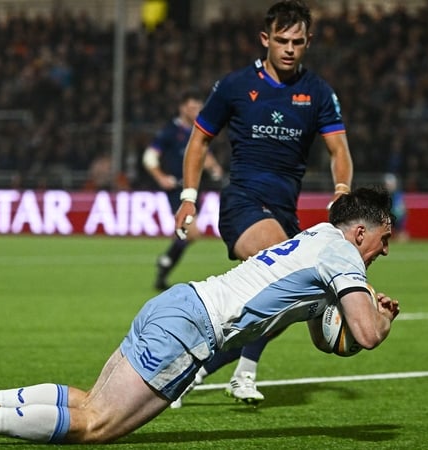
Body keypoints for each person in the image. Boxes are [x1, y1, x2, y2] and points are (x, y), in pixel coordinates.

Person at [0, 187, 399, 447]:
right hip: (194, 329)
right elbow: (366, 336)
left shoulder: (316, 238)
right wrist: (381, 318)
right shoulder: (344, 257)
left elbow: (330, 338)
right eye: (383, 239)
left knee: (89, 403)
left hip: (179, 304)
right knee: (96, 426)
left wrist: (357, 322)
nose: (384, 251)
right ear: (360, 233)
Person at [172, 0, 354, 406]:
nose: (290, 48)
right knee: (289, 275)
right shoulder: (236, 85)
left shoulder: (318, 93)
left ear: (308, 43)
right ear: (265, 39)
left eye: (298, 41)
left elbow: (339, 149)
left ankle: (204, 370)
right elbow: (199, 140)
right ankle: (230, 370)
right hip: (242, 204)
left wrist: (341, 188)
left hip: (283, 212)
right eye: (282, 40)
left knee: (281, 301)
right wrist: (188, 197)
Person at [143, 91, 223, 290]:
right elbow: (149, 157)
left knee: (188, 234)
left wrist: (214, 169)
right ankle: (165, 264)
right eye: (192, 107)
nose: (196, 111)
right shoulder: (170, 131)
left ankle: (165, 265)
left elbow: (205, 155)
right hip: (178, 190)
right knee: (192, 232)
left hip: (196, 188)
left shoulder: (199, 130)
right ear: (182, 108)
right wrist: (160, 177)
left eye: (198, 107)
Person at [383, 173, 409, 242]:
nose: (389, 186)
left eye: (391, 184)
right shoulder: (383, 196)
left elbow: (403, 209)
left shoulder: (398, 195)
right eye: (388, 184)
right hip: (386, 219)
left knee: (401, 236)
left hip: (397, 219)